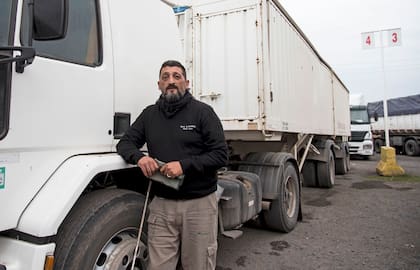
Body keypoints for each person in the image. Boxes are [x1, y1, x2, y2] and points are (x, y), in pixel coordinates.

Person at [116, 60, 228, 270]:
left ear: (186, 82)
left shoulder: (203, 112)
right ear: (159, 84)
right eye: (165, 77)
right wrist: (140, 158)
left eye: (177, 76)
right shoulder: (149, 114)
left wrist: (184, 165)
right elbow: (125, 143)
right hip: (161, 206)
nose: (171, 81)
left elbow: (221, 155)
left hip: (199, 205)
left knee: (198, 265)